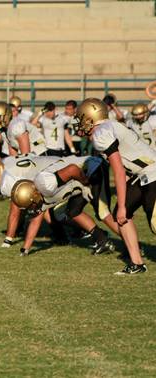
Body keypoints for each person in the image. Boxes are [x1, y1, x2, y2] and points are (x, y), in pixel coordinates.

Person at [74, 98, 156, 274]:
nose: (79, 123)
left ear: (90, 118)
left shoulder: (100, 134)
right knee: (124, 215)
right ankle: (137, 263)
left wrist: (120, 205)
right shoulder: (108, 127)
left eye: (81, 118)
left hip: (152, 172)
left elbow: (118, 171)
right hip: (141, 175)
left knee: (154, 223)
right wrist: (122, 205)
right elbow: (125, 168)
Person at [11, 155, 117, 256]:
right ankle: (103, 241)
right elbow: (35, 221)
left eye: (29, 206)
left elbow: (72, 169)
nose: (30, 209)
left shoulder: (45, 184)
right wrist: (25, 249)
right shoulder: (40, 197)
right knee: (73, 211)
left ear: (33, 197)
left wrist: (86, 183)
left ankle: (130, 246)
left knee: (103, 213)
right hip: (80, 182)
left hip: (92, 169)